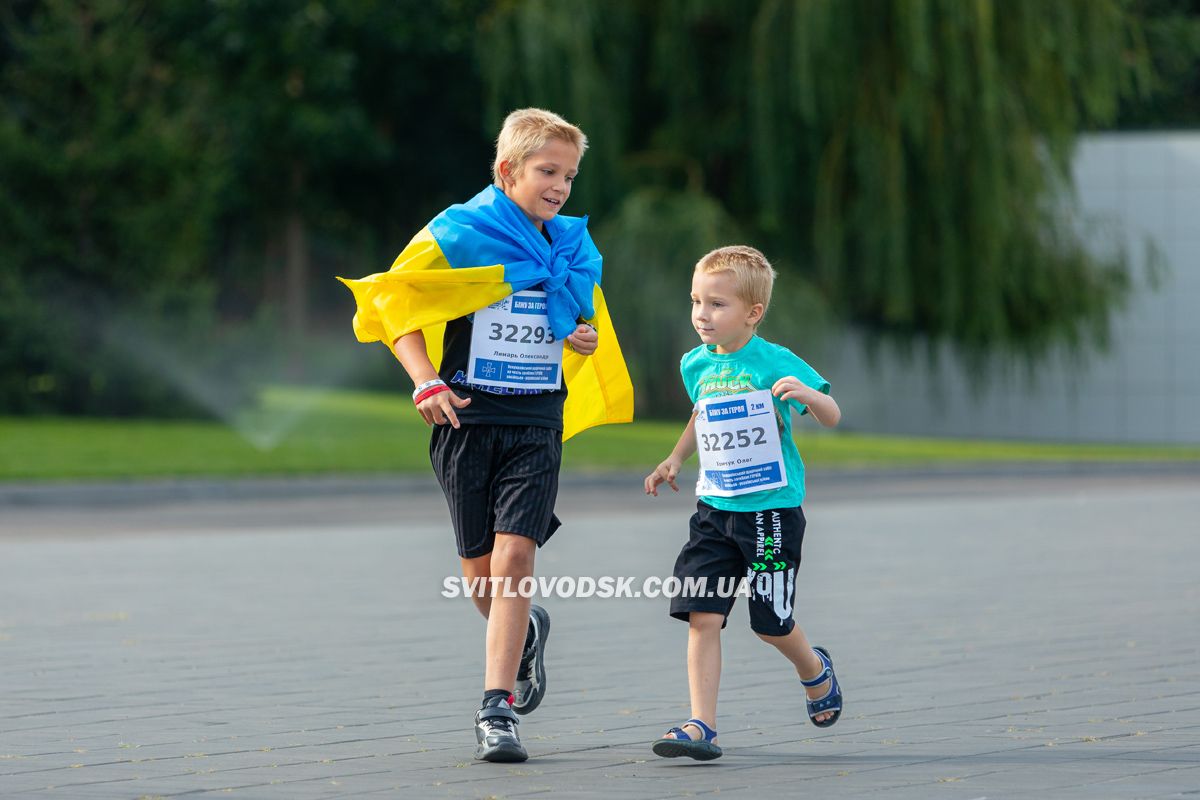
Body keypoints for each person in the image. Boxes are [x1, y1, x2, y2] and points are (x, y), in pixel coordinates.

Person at [338, 108, 633, 763]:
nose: (560, 186)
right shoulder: (458, 233)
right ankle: (525, 635)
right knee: (478, 572)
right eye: (547, 171)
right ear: (507, 170)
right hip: (464, 420)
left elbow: (573, 322)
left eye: (570, 175)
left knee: (515, 560)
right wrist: (424, 380)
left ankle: (495, 711)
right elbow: (395, 303)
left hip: (535, 421)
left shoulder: (572, 248)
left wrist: (578, 335)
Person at [643, 244, 843, 760]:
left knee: (771, 623)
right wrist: (675, 459)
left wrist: (807, 395)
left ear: (752, 312)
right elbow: (701, 415)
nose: (701, 316)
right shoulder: (695, 364)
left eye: (716, 304)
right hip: (714, 509)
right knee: (702, 614)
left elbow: (832, 413)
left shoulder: (774, 360)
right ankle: (700, 724)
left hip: (771, 512)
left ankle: (813, 670)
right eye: (696, 302)